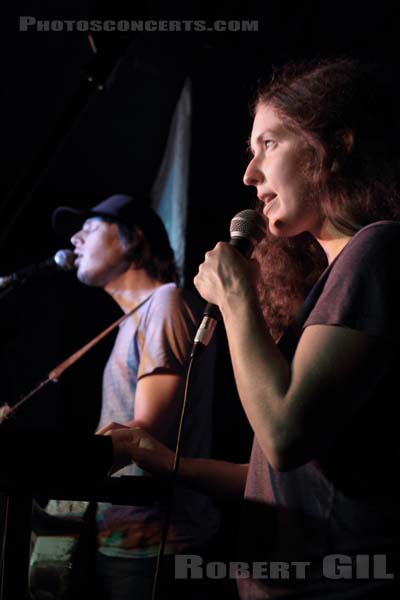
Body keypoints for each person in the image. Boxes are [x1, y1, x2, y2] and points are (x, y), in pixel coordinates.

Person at [108, 59, 400, 599]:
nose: (249, 175)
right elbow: (280, 479)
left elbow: (285, 435)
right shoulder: (337, 274)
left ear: (331, 148)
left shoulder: (376, 251)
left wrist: (237, 293)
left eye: (268, 144)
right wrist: (168, 464)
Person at [51, 193, 219, 599]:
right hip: (123, 540)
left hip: (159, 547)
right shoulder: (130, 322)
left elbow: (142, 435)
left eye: (89, 228)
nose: (75, 239)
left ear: (131, 239)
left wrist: (51, 466)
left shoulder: (163, 302)